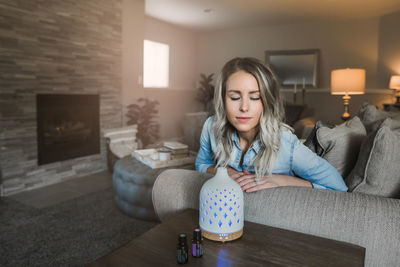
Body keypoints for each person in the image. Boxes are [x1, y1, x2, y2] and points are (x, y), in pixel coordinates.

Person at [195, 57, 348, 193]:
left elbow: (338, 187)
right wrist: (223, 172)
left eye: (255, 97)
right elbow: (202, 163)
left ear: (267, 101)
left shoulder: (286, 144)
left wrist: (280, 180)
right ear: (223, 100)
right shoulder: (211, 127)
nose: (244, 107)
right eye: (235, 97)